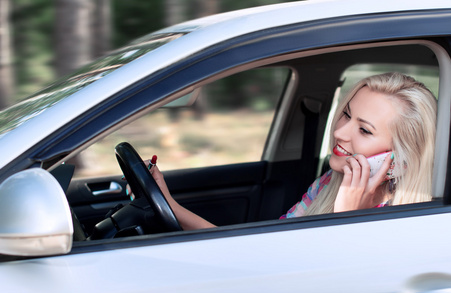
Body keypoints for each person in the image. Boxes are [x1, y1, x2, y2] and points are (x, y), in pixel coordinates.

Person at [148, 72, 437, 229]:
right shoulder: (327, 182)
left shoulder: (405, 224)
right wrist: (170, 206)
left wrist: (349, 218)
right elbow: (266, 257)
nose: (339, 132)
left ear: (401, 161)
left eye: (364, 130)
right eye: (347, 115)